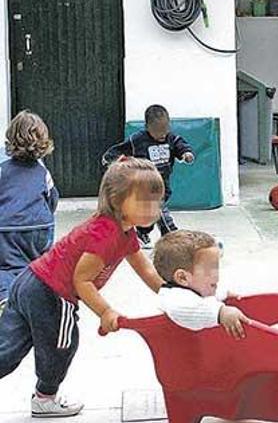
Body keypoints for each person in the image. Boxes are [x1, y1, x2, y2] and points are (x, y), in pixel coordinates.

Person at [0, 157, 166, 417]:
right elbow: (82, 281)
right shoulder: (105, 234)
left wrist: (171, 294)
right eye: (144, 201)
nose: (153, 209)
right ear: (116, 199)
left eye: (157, 201)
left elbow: (145, 270)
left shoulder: (125, 233)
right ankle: (46, 398)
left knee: (6, 349)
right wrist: (106, 312)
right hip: (51, 293)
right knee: (62, 345)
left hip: (30, 281)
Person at [102, 105, 194, 248]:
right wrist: (110, 160)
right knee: (159, 209)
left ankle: (142, 232)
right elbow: (118, 150)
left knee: (149, 214)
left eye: (165, 129)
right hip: (145, 184)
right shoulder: (138, 140)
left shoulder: (171, 139)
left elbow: (181, 146)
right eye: (157, 131)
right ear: (147, 127)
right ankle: (172, 236)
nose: (162, 135)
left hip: (163, 183)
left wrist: (186, 154)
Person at [0, 111, 59, 315]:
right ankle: (39, 301)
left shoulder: (2, 169)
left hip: (8, 228)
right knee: (38, 266)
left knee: (7, 267)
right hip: (41, 227)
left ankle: (7, 299)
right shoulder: (42, 172)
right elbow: (52, 199)